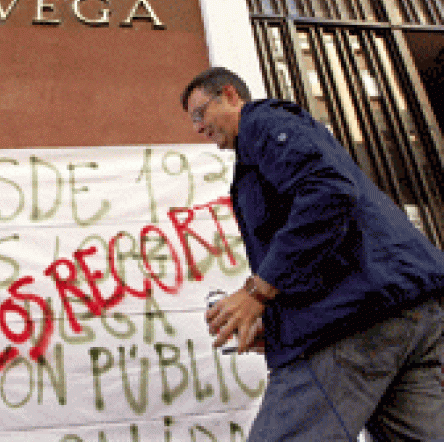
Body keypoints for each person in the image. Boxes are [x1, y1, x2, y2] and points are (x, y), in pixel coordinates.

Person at [182, 67, 444, 441]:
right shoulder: (271, 142)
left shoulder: (261, 122)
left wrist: (259, 292)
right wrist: (276, 322)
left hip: (352, 319)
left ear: (230, 94)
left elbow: (329, 193)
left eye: (199, 114)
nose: (197, 128)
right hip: (407, 312)